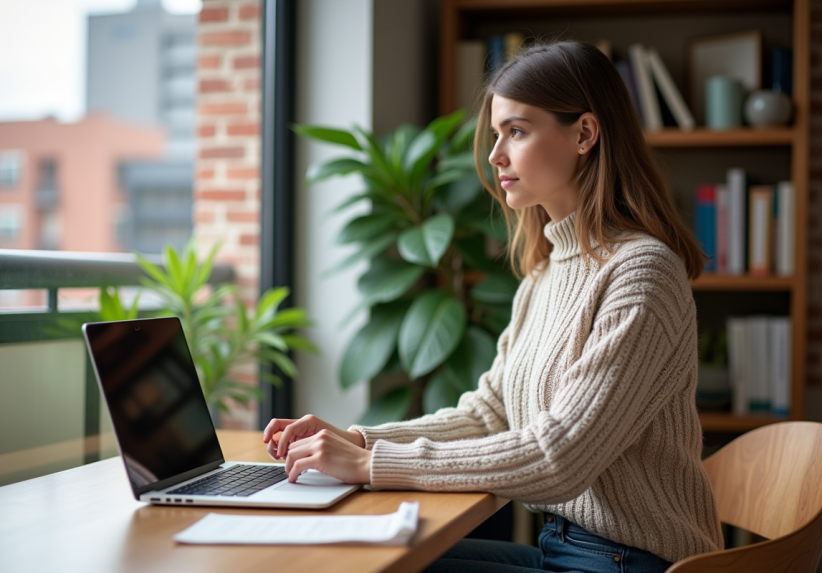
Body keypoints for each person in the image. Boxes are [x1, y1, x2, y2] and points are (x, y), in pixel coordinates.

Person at [262, 41, 724, 572]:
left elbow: (562, 458)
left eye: (517, 131)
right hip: (568, 550)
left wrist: (370, 464)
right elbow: (490, 415)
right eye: (497, 133)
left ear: (584, 134)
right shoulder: (546, 273)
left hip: (629, 562)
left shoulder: (642, 272)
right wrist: (358, 438)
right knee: (356, 550)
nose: (495, 155)